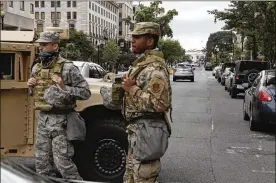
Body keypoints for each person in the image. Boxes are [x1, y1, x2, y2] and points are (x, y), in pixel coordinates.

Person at [100, 22, 172, 183]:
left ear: (150, 41)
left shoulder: (154, 69)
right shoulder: (142, 66)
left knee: (143, 177)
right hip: (138, 132)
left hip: (147, 133)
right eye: (132, 36)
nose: (132, 40)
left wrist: (132, 89)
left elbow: (160, 104)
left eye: (137, 37)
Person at [27, 31, 91, 180]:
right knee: (42, 164)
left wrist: (63, 86)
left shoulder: (67, 68)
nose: (41, 48)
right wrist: (30, 87)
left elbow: (85, 92)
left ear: (55, 46)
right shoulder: (36, 68)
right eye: (40, 45)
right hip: (43, 119)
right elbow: (34, 93)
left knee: (63, 163)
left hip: (61, 120)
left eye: (44, 45)